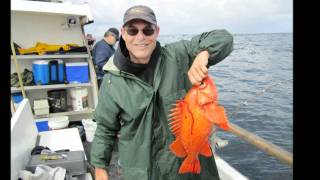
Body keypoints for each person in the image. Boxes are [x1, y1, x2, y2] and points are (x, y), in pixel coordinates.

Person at [90, 5, 233, 180]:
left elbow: (224, 38)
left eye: (147, 30)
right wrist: (99, 167)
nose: (140, 37)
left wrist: (204, 53)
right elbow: (105, 128)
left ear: (157, 32)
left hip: (187, 171)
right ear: (123, 33)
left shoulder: (179, 55)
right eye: (133, 30)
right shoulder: (112, 80)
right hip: (141, 172)